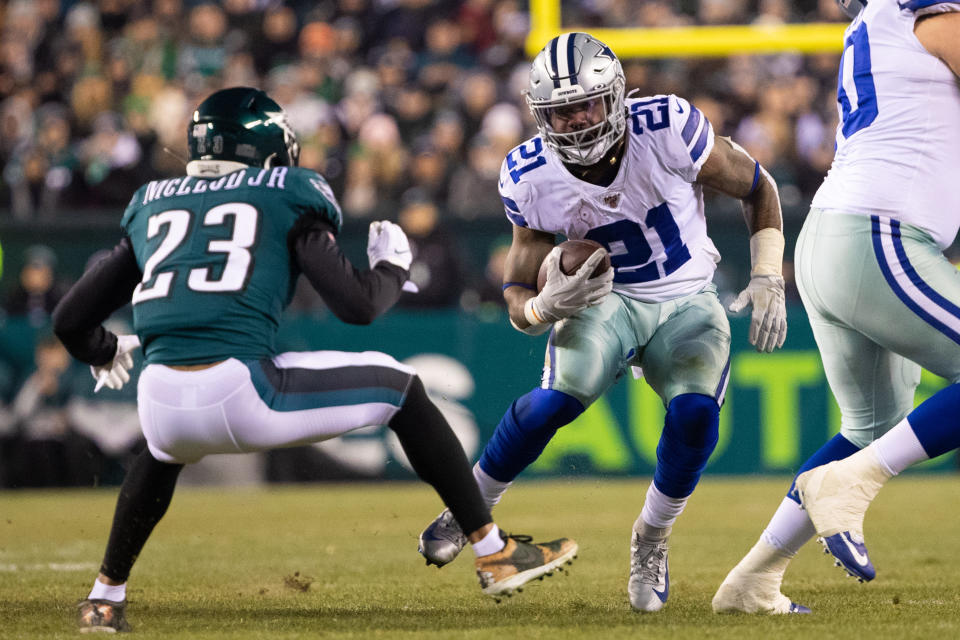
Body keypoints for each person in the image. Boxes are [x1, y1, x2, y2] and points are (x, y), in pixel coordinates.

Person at [51, 87, 578, 634]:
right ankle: (493, 551)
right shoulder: (287, 191)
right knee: (401, 387)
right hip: (243, 389)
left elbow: (70, 319)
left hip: (158, 399)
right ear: (266, 151)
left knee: (160, 454)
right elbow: (358, 306)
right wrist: (392, 269)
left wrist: (104, 349)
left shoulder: (154, 199)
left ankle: (105, 597)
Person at [416, 32, 788, 613]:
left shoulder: (668, 126)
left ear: (616, 95)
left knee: (694, 414)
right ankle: (468, 509)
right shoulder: (529, 173)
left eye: (588, 104)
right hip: (604, 299)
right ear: (540, 116)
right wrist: (543, 307)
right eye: (561, 112)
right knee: (552, 404)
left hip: (686, 296)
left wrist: (767, 272)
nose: (578, 121)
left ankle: (652, 537)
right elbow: (517, 285)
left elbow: (757, 184)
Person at [713, 0, 960, 613]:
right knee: (865, 457)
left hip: (841, 236)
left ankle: (752, 579)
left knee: (870, 427)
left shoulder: (879, 21)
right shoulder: (923, 12)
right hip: (877, 236)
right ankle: (856, 482)